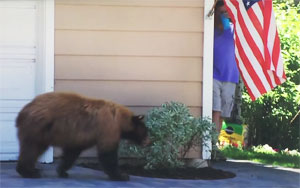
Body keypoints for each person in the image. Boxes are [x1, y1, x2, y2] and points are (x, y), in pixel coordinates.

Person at [213, 0, 239, 138]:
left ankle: (214, 143)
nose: (224, 15)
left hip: (230, 76)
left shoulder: (234, 29)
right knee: (215, 110)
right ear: (216, 13)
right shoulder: (211, 30)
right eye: (221, 12)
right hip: (214, 75)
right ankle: (211, 145)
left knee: (223, 113)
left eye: (226, 12)